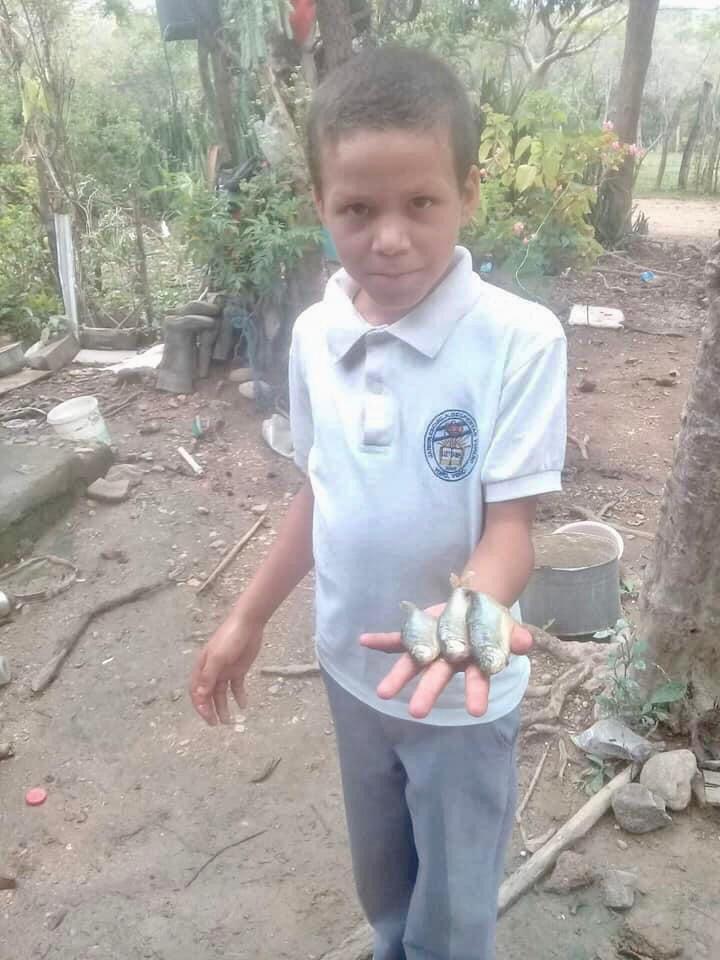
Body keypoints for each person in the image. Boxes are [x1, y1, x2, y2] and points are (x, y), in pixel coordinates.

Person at [191, 45, 567, 960]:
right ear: (319, 206)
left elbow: (512, 528)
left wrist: (472, 605)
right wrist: (247, 617)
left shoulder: (519, 341)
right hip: (353, 673)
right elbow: (320, 494)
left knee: (454, 902)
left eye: (421, 204)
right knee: (384, 882)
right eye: (357, 209)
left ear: (468, 193)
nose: (389, 237)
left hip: (457, 690)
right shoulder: (318, 336)